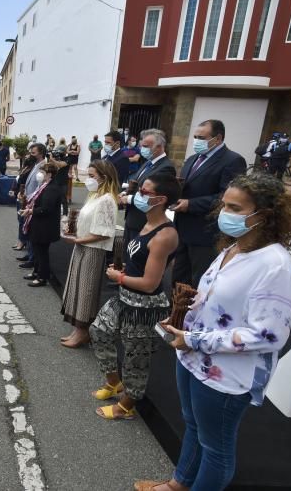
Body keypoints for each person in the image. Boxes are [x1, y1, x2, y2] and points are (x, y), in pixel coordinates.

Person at [135, 173, 291, 491]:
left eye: (235, 208)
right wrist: (183, 317)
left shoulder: (275, 266)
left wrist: (194, 338)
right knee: (194, 426)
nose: (224, 213)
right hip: (194, 357)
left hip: (227, 375)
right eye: (224, 205)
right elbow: (216, 301)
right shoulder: (233, 247)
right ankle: (179, 484)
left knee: (216, 449)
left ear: (264, 216)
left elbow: (268, 335)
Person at [90, 173, 180, 420]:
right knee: (99, 331)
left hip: (144, 307)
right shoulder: (146, 223)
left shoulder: (165, 234)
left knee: (136, 359)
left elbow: (150, 284)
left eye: (145, 192)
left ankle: (128, 404)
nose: (138, 195)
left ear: (161, 199)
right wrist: (123, 274)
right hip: (125, 297)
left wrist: (117, 277)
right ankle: (114, 382)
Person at [172, 119, 247, 287]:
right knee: (178, 278)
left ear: (218, 138)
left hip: (205, 232)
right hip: (182, 229)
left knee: (199, 282)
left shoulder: (232, 160)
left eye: (201, 137)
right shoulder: (192, 159)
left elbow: (227, 197)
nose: (197, 141)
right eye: (195, 137)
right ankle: (176, 312)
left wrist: (191, 204)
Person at [60, 160, 119, 348]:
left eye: (92, 176)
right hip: (82, 247)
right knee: (76, 286)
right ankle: (77, 329)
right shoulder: (94, 196)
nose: (89, 179)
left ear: (104, 177)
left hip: (93, 250)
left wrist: (78, 240)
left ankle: (83, 331)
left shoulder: (108, 200)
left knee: (86, 290)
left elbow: (104, 232)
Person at [121, 129, 176, 246]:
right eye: (142, 146)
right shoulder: (148, 163)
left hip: (144, 221)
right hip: (132, 218)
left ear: (159, 147)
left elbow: (155, 196)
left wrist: (130, 199)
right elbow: (137, 184)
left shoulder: (165, 167)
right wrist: (126, 192)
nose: (142, 149)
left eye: (146, 146)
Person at [19, 162, 62, 287]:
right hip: (39, 224)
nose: (40, 174)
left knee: (42, 253)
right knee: (37, 251)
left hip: (45, 226)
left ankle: (42, 277)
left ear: (49, 174)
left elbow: (46, 209)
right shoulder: (44, 186)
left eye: (42, 172)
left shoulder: (52, 188)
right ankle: (36, 272)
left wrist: (31, 211)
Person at [18, 143, 47, 270]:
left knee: (31, 230)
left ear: (40, 153)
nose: (31, 155)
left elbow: (40, 186)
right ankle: (30, 254)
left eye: (33, 153)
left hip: (34, 202)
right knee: (28, 229)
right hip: (28, 200)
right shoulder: (35, 164)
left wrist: (32, 200)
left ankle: (32, 258)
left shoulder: (44, 166)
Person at [12, 156, 37, 250]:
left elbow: (23, 183)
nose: (26, 157)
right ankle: (20, 240)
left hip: (24, 197)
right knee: (20, 221)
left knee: (23, 221)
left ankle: (22, 241)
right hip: (19, 196)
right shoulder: (25, 169)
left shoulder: (30, 170)